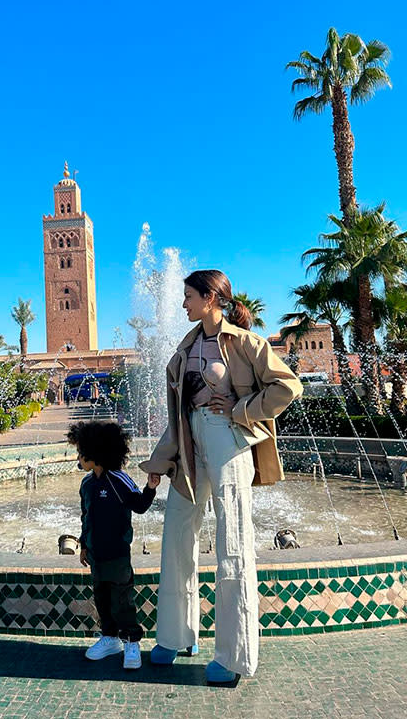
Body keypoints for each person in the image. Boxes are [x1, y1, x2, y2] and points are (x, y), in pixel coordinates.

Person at [140, 270, 302, 687]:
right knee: (177, 534)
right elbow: (179, 415)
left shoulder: (245, 342)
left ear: (211, 298)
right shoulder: (186, 347)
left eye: (189, 296)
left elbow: (289, 386)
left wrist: (242, 407)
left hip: (229, 438)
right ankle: (176, 637)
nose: (183, 304)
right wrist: (161, 460)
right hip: (190, 444)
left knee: (233, 544)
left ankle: (234, 656)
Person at [67, 420, 160, 671]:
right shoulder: (87, 483)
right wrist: (84, 545)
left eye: (80, 452)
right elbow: (85, 516)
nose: (78, 457)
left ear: (93, 453)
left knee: (122, 599)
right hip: (96, 555)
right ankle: (109, 638)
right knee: (102, 597)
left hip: (118, 554)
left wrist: (150, 489)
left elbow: (139, 506)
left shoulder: (119, 481)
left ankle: (131, 641)